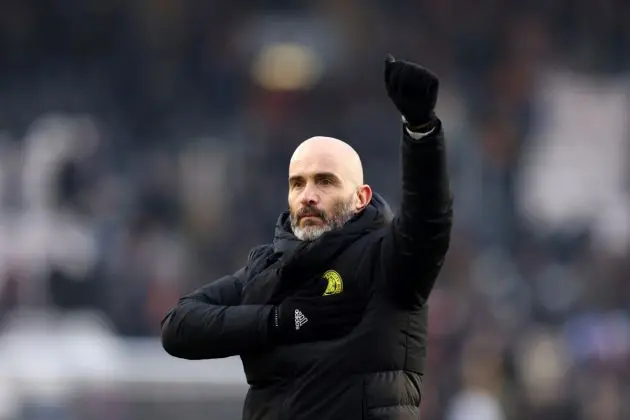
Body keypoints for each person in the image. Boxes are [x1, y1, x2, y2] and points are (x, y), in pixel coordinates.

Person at [161, 55, 453, 420]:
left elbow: (429, 222)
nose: (308, 195)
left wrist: (421, 132)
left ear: (361, 197)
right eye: (298, 183)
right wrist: (281, 321)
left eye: (326, 181)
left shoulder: (387, 259)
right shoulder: (265, 267)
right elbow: (179, 327)